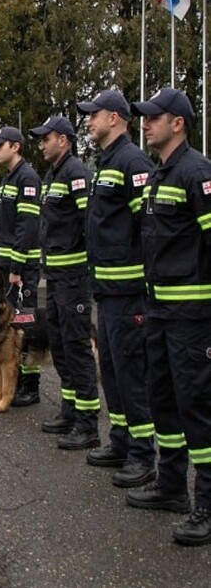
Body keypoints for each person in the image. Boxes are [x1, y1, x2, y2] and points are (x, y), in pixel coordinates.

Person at [126, 87, 211, 546]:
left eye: (154, 117)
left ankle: (208, 505)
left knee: (197, 405)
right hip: (158, 311)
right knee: (163, 398)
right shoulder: (161, 175)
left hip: (192, 316)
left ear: (177, 123)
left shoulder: (197, 172)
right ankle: (172, 486)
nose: (146, 123)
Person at [76, 90, 155, 488]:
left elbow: (150, 227)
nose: (89, 121)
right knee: (112, 370)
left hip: (129, 292)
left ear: (116, 118)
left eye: (94, 115)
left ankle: (144, 455)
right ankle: (121, 441)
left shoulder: (132, 161)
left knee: (131, 373)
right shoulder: (105, 162)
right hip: (106, 290)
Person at [30, 115, 100, 450]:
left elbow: (90, 224)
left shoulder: (76, 174)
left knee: (77, 348)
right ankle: (69, 412)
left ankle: (88, 425)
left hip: (74, 279)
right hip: (55, 279)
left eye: (47, 138)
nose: (42, 143)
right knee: (60, 347)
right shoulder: (53, 174)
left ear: (64, 140)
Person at [0, 126, 42, 405]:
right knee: (8, 326)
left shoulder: (28, 178)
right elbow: (3, 229)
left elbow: (27, 227)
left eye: (0, 145)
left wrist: (17, 266)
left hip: (22, 267)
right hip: (6, 265)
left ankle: (29, 387)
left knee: (24, 325)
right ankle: (11, 380)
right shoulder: (9, 178)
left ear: (16, 146)